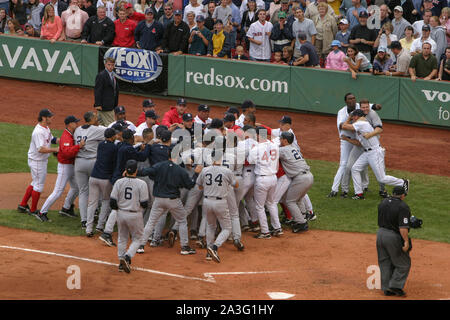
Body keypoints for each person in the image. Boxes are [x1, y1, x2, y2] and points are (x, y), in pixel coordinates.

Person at [137, 130, 202, 255]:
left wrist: (132, 172)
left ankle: (141, 245)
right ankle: (184, 247)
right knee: (182, 221)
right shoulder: (180, 170)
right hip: (173, 200)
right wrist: (196, 174)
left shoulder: (159, 165)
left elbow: (145, 171)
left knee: (151, 222)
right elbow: (190, 185)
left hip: (159, 199)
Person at [341, 109, 409, 199]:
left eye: (353, 116)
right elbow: (359, 143)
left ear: (357, 116)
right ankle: (359, 194)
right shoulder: (361, 124)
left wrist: (349, 117)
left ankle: (402, 182)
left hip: (375, 152)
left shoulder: (361, 123)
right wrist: (347, 139)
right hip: (367, 152)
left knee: (381, 178)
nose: (352, 118)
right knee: (355, 169)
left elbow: (344, 126)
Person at [37, 116, 84, 222]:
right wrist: (78, 147)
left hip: (70, 166)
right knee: (58, 191)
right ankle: (42, 212)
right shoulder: (66, 136)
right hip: (65, 166)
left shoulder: (71, 134)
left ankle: (66, 208)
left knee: (76, 187)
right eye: (75, 122)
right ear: (69, 124)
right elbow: (67, 153)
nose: (77, 124)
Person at [197, 151, 239, 262]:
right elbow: (236, 185)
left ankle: (208, 253)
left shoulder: (205, 170)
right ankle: (214, 247)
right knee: (227, 228)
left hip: (206, 201)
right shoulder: (227, 171)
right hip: (220, 202)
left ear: (212, 158)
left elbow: (200, 186)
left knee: (210, 226)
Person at [18, 109, 59, 216]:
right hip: (37, 161)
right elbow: (40, 149)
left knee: (35, 182)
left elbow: (51, 139)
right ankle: (33, 210)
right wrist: (55, 150)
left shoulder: (46, 128)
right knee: (39, 185)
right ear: (44, 118)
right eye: (50, 117)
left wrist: (61, 140)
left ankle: (22, 205)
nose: (51, 118)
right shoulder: (38, 132)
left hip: (39, 161)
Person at [112, 159, 149, 273]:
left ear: (125, 170)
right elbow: (144, 203)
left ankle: (120, 263)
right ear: (136, 171)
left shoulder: (119, 182)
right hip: (135, 214)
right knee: (138, 238)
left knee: (122, 238)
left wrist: (121, 210)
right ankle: (127, 257)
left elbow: (112, 202)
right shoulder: (142, 183)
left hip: (121, 213)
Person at [376, 186, 412, 296]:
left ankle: (386, 288)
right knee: (404, 263)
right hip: (392, 237)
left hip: (380, 234)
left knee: (385, 262)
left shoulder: (383, 202)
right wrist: (406, 241)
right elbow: (402, 228)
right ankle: (395, 286)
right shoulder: (403, 206)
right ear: (402, 195)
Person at [74, 111, 107, 229]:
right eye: (95, 117)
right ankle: (95, 214)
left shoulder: (77, 130)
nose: (97, 119)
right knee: (97, 190)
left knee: (83, 191)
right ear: (91, 119)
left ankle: (84, 220)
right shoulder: (95, 129)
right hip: (92, 162)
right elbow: (110, 133)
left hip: (79, 163)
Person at [247, 126, 281, 239]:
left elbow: (250, 161)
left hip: (262, 179)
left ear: (257, 135)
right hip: (273, 178)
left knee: (260, 206)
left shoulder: (256, 148)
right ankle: (277, 228)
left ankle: (265, 232)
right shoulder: (275, 145)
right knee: (271, 203)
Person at [278, 131, 313, 233]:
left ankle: (301, 223)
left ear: (284, 140)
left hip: (301, 178)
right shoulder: (295, 148)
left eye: (281, 139)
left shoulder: (282, 150)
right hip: (309, 176)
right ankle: (302, 217)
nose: (280, 140)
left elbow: (270, 152)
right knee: (298, 198)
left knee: (290, 201)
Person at [85, 128, 118, 237]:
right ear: (112, 136)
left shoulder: (101, 145)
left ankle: (88, 229)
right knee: (106, 201)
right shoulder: (114, 147)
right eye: (115, 135)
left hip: (94, 177)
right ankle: (100, 225)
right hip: (105, 179)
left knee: (92, 203)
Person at [94, 57, 119, 127]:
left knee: (100, 126)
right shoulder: (101, 75)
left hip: (109, 105)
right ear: (105, 65)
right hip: (105, 107)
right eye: (109, 65)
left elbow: (114, 90)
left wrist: (115, 104)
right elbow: (98, 90)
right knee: (112, 126)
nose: (111, 67)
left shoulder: (113, 76)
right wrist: (97, 104)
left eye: (112, 65)